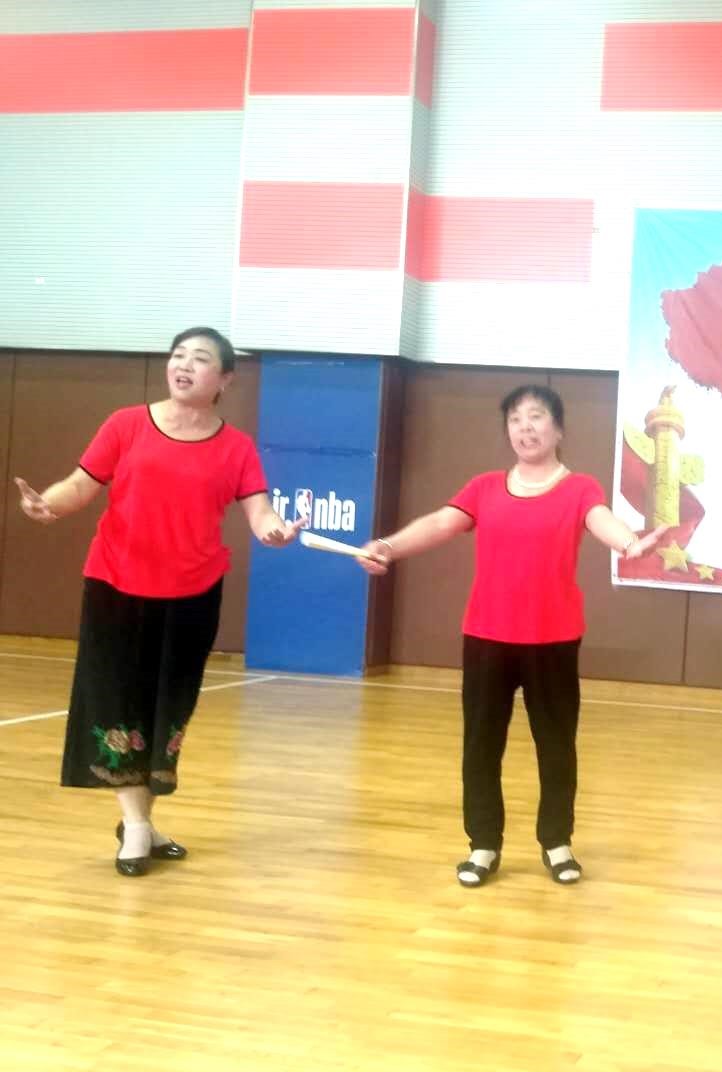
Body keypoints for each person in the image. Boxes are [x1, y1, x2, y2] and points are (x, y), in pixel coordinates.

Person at [13, 327, 304, 876]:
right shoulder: (125, 424)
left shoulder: (237, 448)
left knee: (166, 710)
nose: (184, 365)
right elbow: (81, 483)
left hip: (192, 596)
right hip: (116, 586)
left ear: (224, 379)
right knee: (118, 704)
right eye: (178, 355)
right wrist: (48, 504)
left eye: (200, 359)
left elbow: (259, 510)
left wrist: (275, 531)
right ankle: (136, 827)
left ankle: (141, 823)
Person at [357, 385, 659, 888]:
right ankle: (483, 845)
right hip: (487, 637)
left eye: (536, 417)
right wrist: (388, 546)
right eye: (515, 419)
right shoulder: (484, 488)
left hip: (553, 640)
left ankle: (557, 842)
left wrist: (630, 543)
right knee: (480, 745)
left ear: (558, 430)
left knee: (556, 746)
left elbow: (602, 520)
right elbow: (440, 523)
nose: (525, 428)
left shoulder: (579, 488)